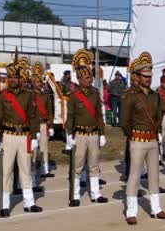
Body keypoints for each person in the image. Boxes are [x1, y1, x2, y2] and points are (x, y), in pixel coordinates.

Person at [121, 52, 165, 225]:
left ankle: (156, 208)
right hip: (138, 139)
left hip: (153, 140)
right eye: (144, 76)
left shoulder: (155, 96)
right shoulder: (130, 96)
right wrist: (132, 135)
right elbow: (124, 121)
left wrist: (157, 132)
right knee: (134, 175)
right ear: (137, 76)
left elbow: (159, 115)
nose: (148, 79)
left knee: (154, 175)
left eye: (149, 76)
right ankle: (131, 211)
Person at [0, 53, 42, 216]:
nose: (12, 80)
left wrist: (34, 136)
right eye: (10, 77)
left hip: (25, 136)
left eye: (15, 77)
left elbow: (33, 116)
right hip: (8, 135)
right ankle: (4, 205)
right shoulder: (1, 96)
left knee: (26, 169)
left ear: (21, 78)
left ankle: (29, 203)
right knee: (6, 171)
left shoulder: (29, 95)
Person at [65, 50, 108, 207]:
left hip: (94, 134)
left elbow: (99, 116)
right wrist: (69, 135)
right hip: (80, 134)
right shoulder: (73, 96)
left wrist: (102, 134)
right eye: (87, 77)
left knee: (94, 165)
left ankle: (96, 194)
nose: (90, 80)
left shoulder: (96, 94)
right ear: (80, 78)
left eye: (90, 77)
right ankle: (75, 195)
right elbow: (70, 117)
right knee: (78, 165)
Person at [31, 63, 55, 185]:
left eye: (39, 82)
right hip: (34, 126)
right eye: (35, 82)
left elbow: (50, 111)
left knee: (44, 148)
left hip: (44, 125)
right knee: (34, 151)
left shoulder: (45, 95)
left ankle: (45, 170)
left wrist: (50, 126)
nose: (38, 84)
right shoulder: (29, 96)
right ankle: (33, 173)